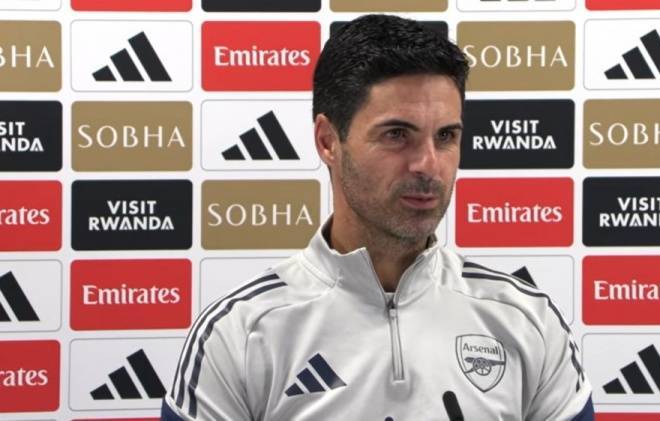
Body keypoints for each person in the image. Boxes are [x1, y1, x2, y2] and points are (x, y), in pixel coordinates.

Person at [162, 14, 593, 421]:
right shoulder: (239, 332)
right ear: (328, 141)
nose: (428, 164)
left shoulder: (526, 319)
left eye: (446, 136)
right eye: (397, 135)